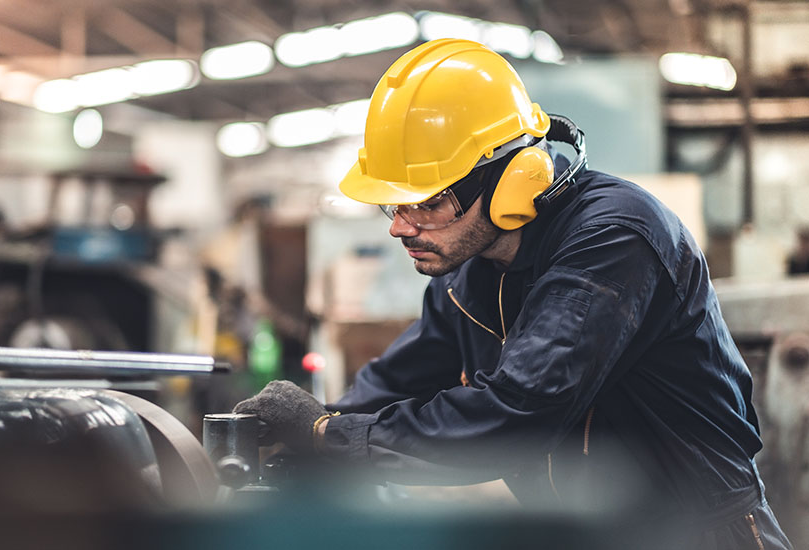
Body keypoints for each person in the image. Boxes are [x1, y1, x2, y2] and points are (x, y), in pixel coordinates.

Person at [234, 38, 792, 548]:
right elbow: (398, 380)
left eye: (426, 202)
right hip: (583, 530)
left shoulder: (614, 240)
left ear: (514, 179)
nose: (400, 228)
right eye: (393, 205)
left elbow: (520, 411)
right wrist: (304, 431)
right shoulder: (466, 268)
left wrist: (330, 437)